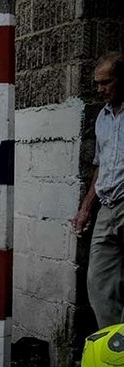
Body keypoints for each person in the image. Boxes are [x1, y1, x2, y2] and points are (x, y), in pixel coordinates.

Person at [73, 52, 124, 329]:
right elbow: (100, 165)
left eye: (107, 83)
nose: (100, 89)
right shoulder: (103, 117)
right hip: (107, 204)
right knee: (99, 281)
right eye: (97, 83)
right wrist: (85, 209)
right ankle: (116, 349)